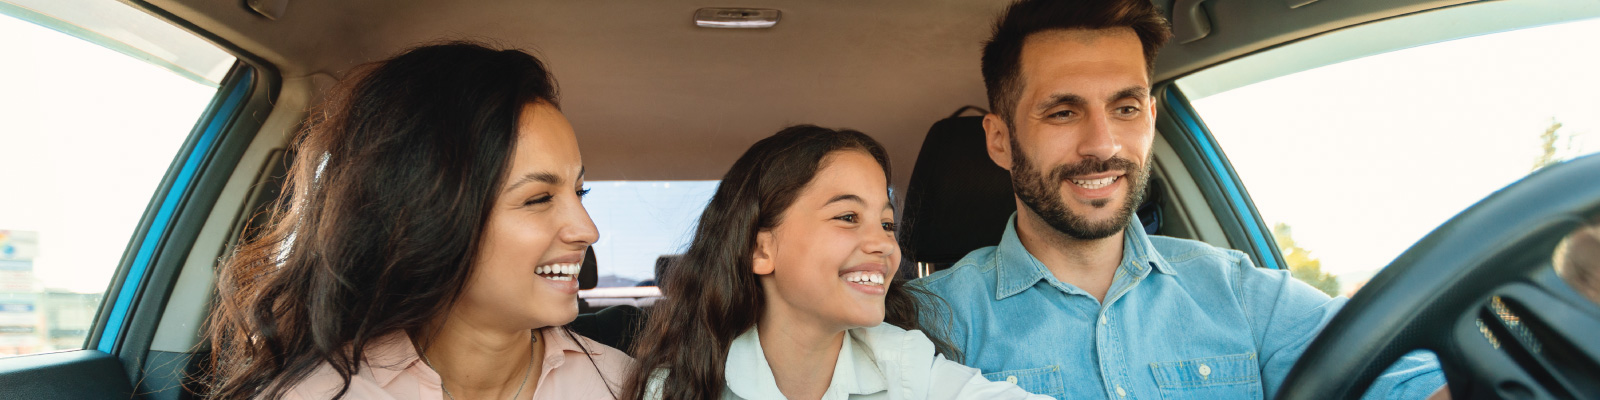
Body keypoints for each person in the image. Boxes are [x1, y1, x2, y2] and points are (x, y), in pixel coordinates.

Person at [909, 1, 1448, 399]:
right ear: (1000, 141)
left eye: (1125, 108)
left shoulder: (1238, 291)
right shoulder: (929, 324)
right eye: (1063, 112)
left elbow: (1408, 376)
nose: (1103, 145)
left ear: (1150, 118)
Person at [203, 42, 630, 399]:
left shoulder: (622, 385)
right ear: (430, 216)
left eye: (579, 192)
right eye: (539, 198)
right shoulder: (315, 393)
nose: (587, 230)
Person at [621, 125, 1049, 400]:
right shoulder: (676, 389)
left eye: (886, 223)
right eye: (847, 217)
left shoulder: (906, 367)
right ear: (760, 250)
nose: (883, 244)